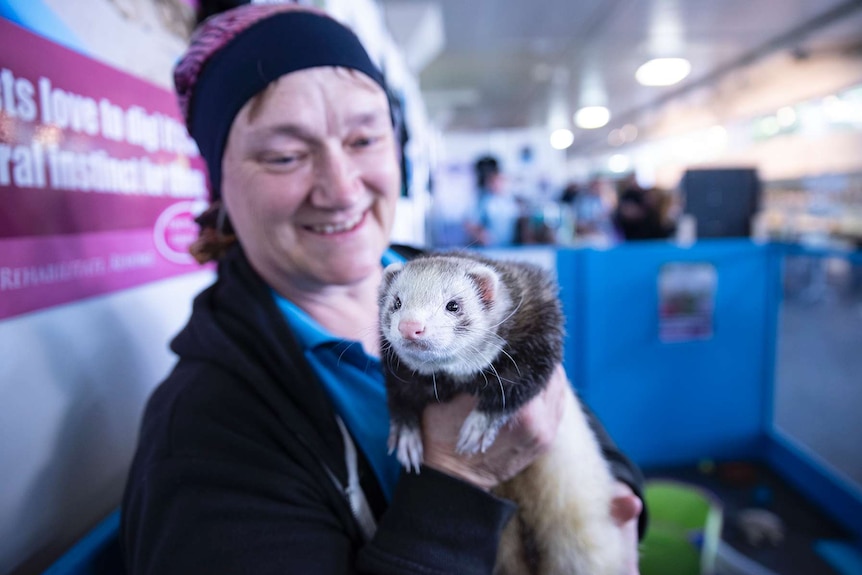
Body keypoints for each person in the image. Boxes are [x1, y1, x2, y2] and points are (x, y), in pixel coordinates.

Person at [120, 4, 646, 574]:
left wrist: (611, 506)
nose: (342, 190)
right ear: (217, 183)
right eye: (285, 156)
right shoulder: (204, 436)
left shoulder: (458, 283)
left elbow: (580, 429)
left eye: (365, 138)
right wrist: (460, 477)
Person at [465, 155, 521, 246]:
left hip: (510, 247)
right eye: (493, 182)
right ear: (488, 182)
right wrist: (482, 236)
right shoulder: (483, 200)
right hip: (489, 248)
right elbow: (470, 224)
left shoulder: (510, 200)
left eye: (500, 181)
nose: (497, 184)